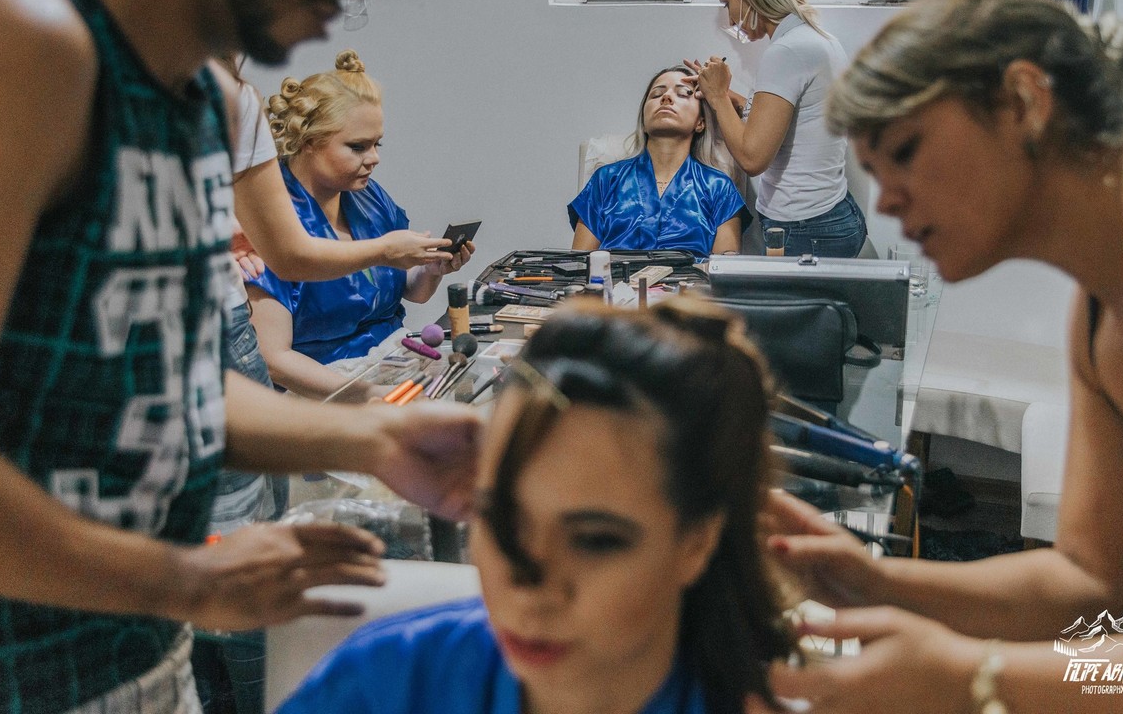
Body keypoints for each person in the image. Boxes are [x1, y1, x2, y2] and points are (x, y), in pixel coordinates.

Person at [0, 0, 482, 712]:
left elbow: (165, 391)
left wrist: (380, 436)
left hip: (146, 667)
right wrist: (182, 577)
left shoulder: (210, 105)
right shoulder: (33, 45)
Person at [760, 0, 1123, 712]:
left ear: (1024, 101)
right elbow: (1093, 592)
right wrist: (877, 581)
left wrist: (980, 677)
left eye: (904, 151)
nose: (889, 200)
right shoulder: (1100, 321)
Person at [277, 297, 795, 714]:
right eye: (499, 517)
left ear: (697, 541)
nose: (529, 588)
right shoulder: (384, 683)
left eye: (594, 539)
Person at [245, 50, 473, 401]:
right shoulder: (273, 222)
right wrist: (370, 395)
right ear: (308, 142)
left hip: (394, 364)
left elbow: (412, 292)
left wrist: (431, 269)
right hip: (318, 392)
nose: (374, 158)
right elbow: (274, 359)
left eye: (376, 144)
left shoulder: (370, 198)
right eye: (358, 147)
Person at [686, 0, 867, 258]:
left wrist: (716, 97)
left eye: (727, 3)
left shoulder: (787, 52)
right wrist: (726, 95)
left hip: (807, 229)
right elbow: (782, 120)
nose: (729, 18)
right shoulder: (815, 39)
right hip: (830, 216)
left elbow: (753, 158)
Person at [570, 65, 749, 258]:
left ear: (700, 122)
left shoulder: (719, 187)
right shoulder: (605, 180)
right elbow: (579, 265)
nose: (666, 98)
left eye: (683, 93)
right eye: (656, 94)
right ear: (644, 122)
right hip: (614, 285)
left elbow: (723, 272)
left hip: (691, 287)